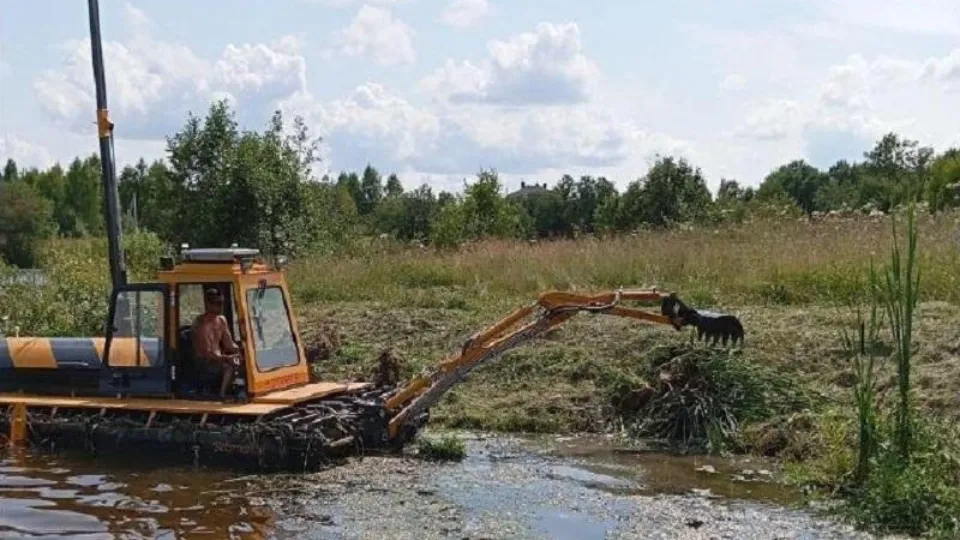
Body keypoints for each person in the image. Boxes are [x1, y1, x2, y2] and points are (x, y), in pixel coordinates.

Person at [191, 287, 240, 398]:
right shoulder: (200, 324)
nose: (220, 306)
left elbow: (229, 344)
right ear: (207, 303)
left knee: (243, 363)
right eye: (217, 303)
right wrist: (228, 358)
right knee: (229, 366)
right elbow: (208, 353)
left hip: (218, 360)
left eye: (222, 302)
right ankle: (222, 395)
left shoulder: (221, 320)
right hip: (204, 363)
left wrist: (241, 352)